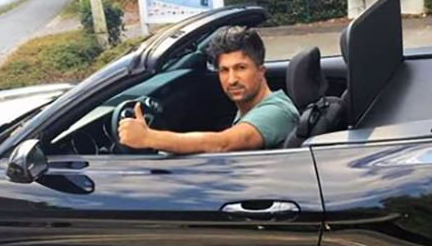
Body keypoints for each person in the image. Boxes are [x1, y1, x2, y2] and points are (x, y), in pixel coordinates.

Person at [118, 26, 300, 154]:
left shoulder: (276, 111)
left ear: (261, 71)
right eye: (224, 70)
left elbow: (223, 144)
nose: (232, 80)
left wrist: (148, 138)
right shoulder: (251, 108)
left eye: (241, 68)